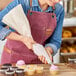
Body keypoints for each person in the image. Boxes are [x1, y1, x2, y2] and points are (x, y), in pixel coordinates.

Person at [0, 0, 64, 64]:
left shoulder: (58, 10)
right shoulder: (21, 3)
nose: (57, 1)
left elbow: (55, 41)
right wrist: (22, 38)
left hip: (39, 63)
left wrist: (49, 49)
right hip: (13, 61)